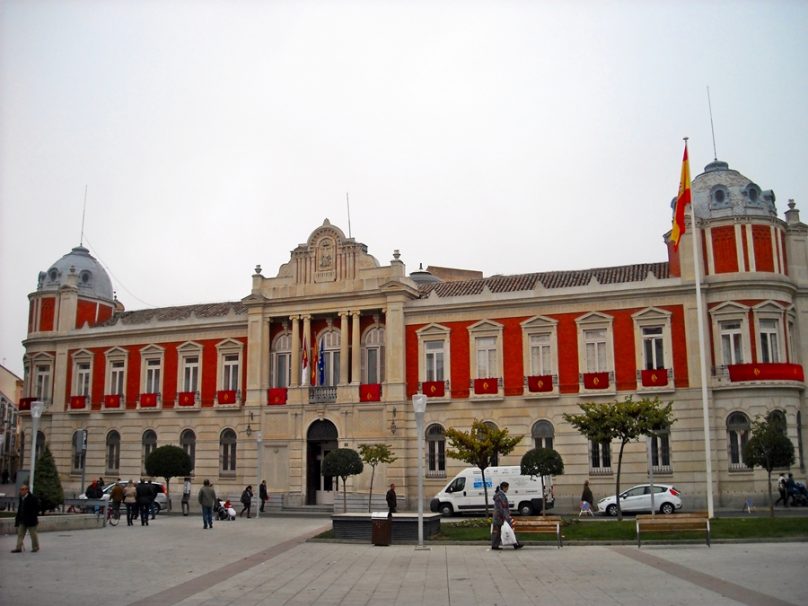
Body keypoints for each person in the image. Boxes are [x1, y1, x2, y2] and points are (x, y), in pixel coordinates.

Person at [491, 481, 523, 550]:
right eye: (507, 488)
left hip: (499, 516)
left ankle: (495, 545)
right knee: (510, 529)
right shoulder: (500, 496)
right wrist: (506, 516)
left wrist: (507, 511)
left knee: (500, 531)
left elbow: (502, 507)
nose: (508, 489)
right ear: (504, 487)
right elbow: (502, 507)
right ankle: (515, 544)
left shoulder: (499, 495)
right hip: (501, 517)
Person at [12, 484, 39, 553]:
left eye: (23, 489)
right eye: (20, 489)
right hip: (22, 520)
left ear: (27, 490)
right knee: (20, 534)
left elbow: (37, 508)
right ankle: (18, 548)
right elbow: (20, 509)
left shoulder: (33, 498)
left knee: (33, 535)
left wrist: (33, 516)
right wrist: (17, 519)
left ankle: (35, 547)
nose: (21, 491)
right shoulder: (21, 498)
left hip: (31, 520)